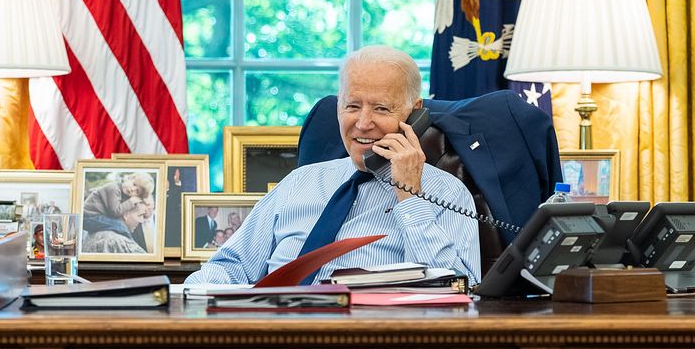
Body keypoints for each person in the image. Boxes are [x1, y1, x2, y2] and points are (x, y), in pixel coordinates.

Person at [185, 45, 480, 286]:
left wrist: (411, 197)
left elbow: (456, 292)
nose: (362, 124)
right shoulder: (300, 182)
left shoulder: (447, 194)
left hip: (370, 345)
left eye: (381, 108)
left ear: (415, 114)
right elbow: (231, 266)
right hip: (273, 336)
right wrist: (187, 300)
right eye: (352, 106)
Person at [82, 196, 147, 254]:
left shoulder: (92, 234)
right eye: (140, 215)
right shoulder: (118, 241)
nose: (142, 221)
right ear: (126, 215)